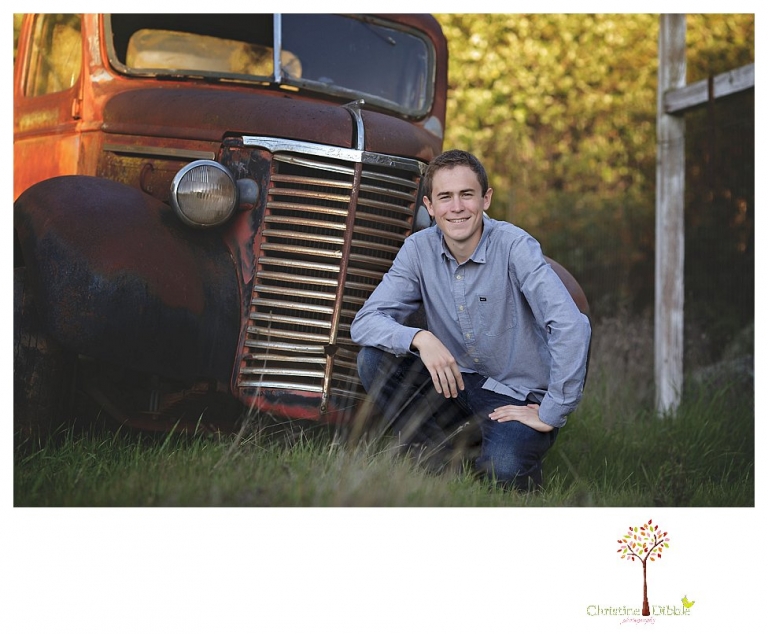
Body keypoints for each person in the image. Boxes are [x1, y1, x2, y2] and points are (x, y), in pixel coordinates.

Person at [350, 149, 591, 491]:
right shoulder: (418, 250)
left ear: (486, 198)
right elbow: (365, 322)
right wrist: (421, 338)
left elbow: (572, 325)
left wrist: (551, 411)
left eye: (467, 194)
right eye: (445, 197)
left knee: (504, 469)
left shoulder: (515, 247)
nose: (457, 207)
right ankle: (435, 452)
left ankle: (498, 454)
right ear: (430, 207)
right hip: (455, 385)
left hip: (517, 398)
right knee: (373, 359)